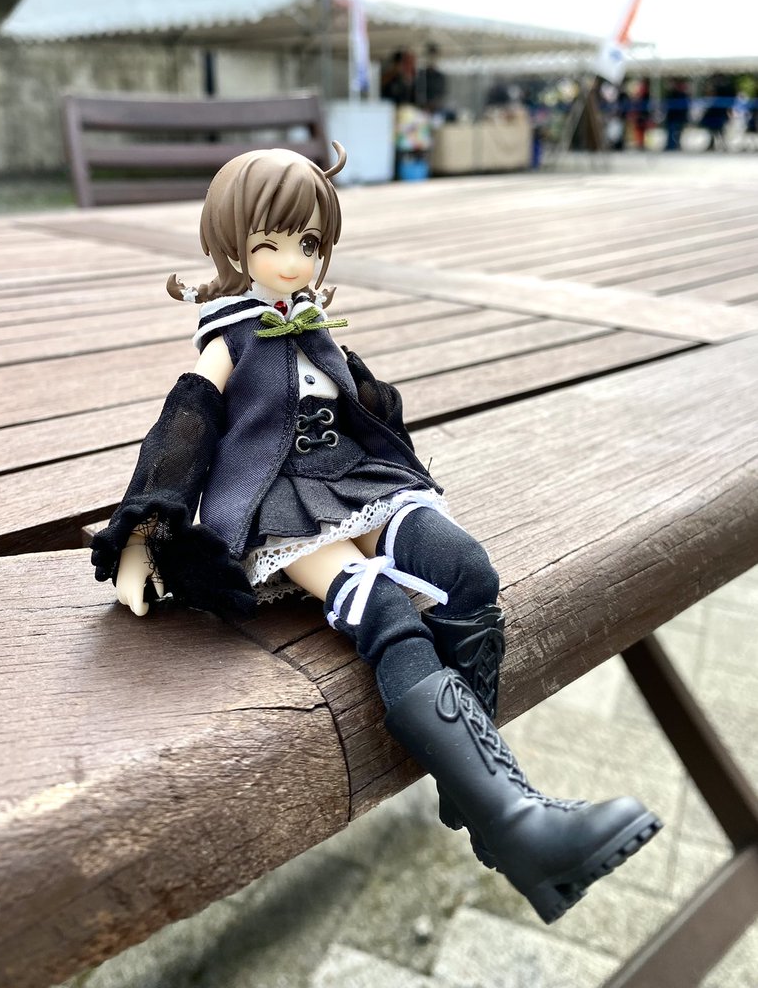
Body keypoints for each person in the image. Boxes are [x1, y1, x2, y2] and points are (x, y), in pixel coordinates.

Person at [91, 144, 661, 925]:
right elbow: (184, 424)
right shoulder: (229, 340)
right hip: (280, 506)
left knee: (465, 568)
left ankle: (488, 806)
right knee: (385, 610)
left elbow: (366, 409)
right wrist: (143, 531)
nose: (294, 261)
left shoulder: (315, 327)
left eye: (308, 243)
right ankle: (515, 821)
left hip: (361, 482)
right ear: (231, 247)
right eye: (270, 243)